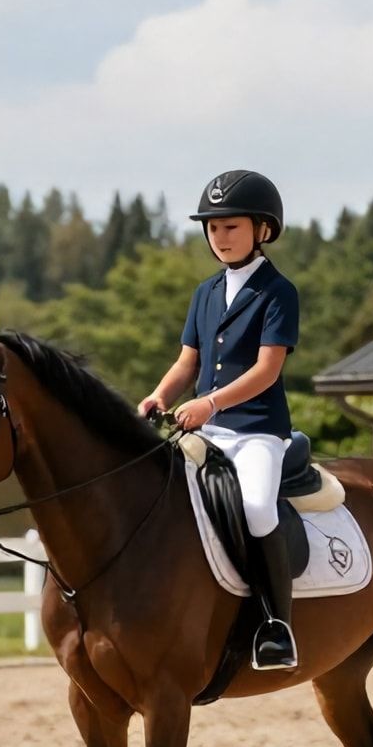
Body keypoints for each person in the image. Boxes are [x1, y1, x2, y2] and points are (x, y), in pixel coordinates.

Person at [138, 169, 301, 670]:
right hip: (204, 431)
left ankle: (276, 626)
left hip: (256, 432)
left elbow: (267, 369)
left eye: (231, 227)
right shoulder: (205, 293)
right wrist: (158, 396)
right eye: (213, 228)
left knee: (255, 507)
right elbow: (188, 362)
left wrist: (210, 404)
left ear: (262, 230)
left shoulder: (278, 292)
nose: (220, 237)